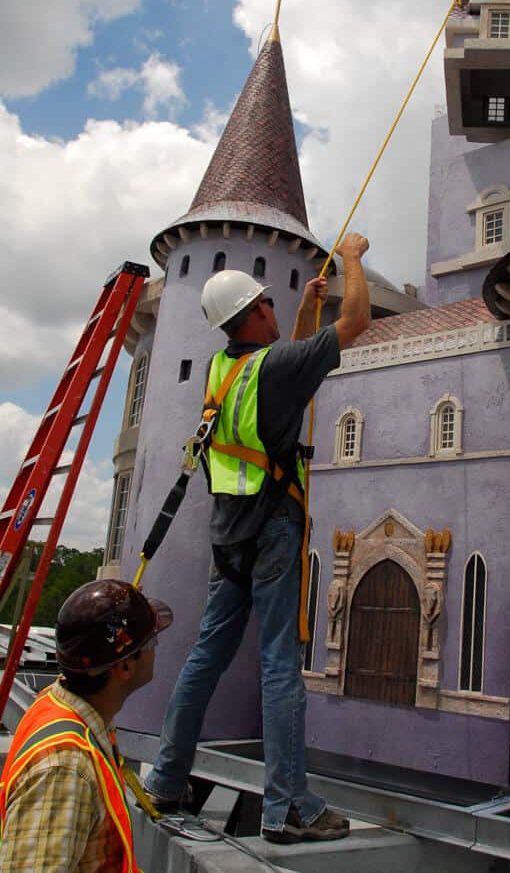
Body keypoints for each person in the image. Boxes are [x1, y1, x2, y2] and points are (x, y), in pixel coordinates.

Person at [144, 232, 370, 844]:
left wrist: (304, 310)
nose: (276, 308)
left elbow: (284, 362)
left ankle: (166, 781)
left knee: (204, 657)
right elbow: (356, 321)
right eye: (269, 303)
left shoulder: (224, 369)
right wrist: (352, 256)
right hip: (272, 528)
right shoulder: (278, 368)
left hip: (228, 532)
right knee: (278, 665)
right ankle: (289, 805)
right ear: (253, 313)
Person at [0, 579, 173, 872]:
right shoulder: (65, 769)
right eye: (151, 642)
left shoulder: (64, 704)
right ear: (125, 667)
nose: (156, 648)